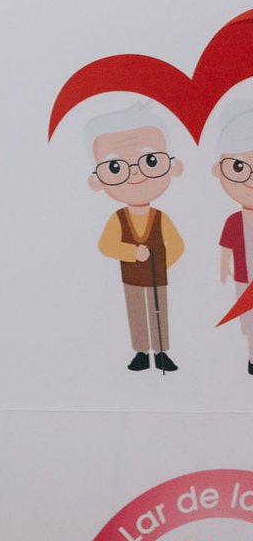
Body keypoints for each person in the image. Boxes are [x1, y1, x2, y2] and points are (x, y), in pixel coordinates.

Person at [86, 101, 185, 373]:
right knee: (137, 313)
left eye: (150, 160)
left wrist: (162, 264)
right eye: (115, 167)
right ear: (97, 181)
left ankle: (162, 353)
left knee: (158, 311)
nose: (135, 172)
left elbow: (177, 244)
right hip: (131, 277)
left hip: (157, 277)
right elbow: (106, 245)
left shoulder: (160, 217)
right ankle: (141, 352)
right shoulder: (118, 218)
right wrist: (132, 253)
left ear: (173, 166)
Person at [214, 103, 253, 376]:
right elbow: (226, 249)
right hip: (242, 278)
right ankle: (252, 357)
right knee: (249, 323)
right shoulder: (234, 221)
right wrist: (223, 269)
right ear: (219, 171)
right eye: (239, 167)